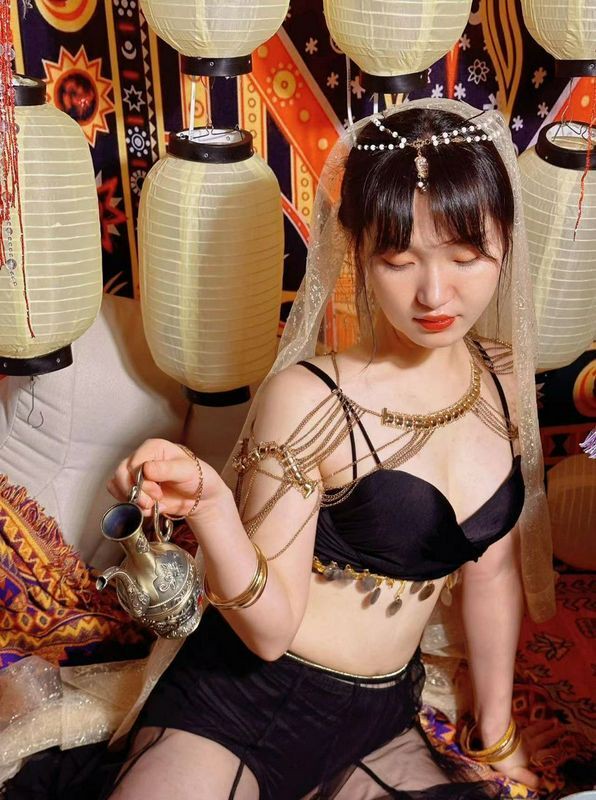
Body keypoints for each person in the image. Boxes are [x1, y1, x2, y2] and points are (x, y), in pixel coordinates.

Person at [101, 99, 556, 800]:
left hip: (380, 720)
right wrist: (214, 508)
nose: (435, 293)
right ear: (357, 252)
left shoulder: (501, 380)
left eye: (466, 256)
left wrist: (496, 735)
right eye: (399, 260)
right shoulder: (309, 399)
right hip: (241, 705)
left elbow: (492, 573)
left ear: (505, 240)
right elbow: (269, 634)